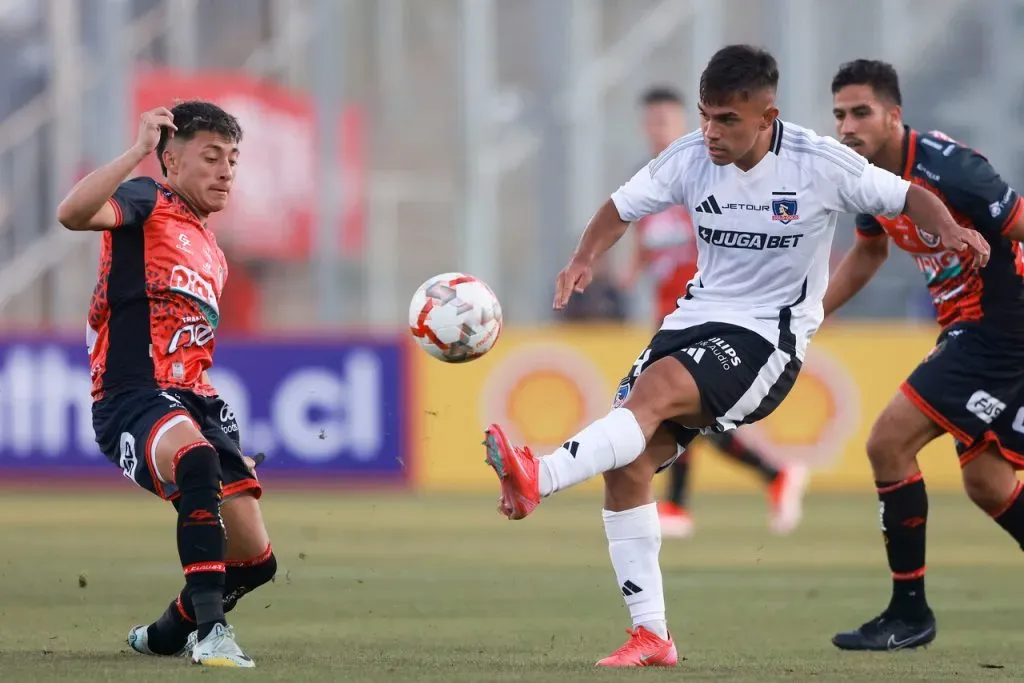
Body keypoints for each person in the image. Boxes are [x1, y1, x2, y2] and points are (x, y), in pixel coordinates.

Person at [480, 44, 988, 668]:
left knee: (656, 391)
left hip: (768, 340)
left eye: (727, 120)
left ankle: (542, 477)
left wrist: (954, 232)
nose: (711, 133)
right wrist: (585, 256)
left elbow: (910, 198)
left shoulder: (819, 162)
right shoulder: (691, 156)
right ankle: (652, 636)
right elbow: (620, 207)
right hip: (691, 321)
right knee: (628, 466)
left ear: (766, 116)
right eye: (705, 116)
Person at [57, 101, 275, 668]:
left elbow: (193, 351)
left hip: (194, 400)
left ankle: (163, 634)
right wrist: (135, 153)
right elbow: (72, 214)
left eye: (232, 158)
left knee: (256, 559)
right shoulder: (147, 199)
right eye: (211, 156)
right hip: (131, 393)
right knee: (195, 461)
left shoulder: (215, 253)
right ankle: (212, 633)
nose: (226, 169)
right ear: (171, 162)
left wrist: (225, 427)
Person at [826, 59, 1024, 651]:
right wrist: (810, 316)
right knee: (989, 483)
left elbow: (1018, 223)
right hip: (969, 330)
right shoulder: (865, 177)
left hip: (1000, 327)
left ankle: (909, 614)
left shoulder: (951, 168)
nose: (848, 127)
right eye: (839, 114)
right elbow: (867, 254)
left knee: (888, 443)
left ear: (894, 115)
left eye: (861, 113)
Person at [624, 85, 808, 538]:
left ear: (684, 121)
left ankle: (681, 504)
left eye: (666, 120)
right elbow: (644, 242)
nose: (658, 129)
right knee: (683, 413)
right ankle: (769, 477)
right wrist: (628, 272)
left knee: (682, 410)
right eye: (651, 121)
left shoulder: (706, 171)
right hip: (667, 314)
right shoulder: (648, 180)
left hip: (709, 312)